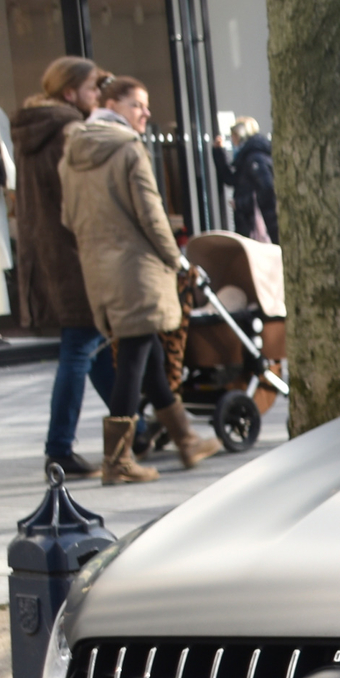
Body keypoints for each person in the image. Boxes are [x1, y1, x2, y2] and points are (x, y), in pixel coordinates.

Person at [60, 75, 219, 484]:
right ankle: (118, 462)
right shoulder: (128, 150)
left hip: (99, 267)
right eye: (138, 105)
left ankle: (185, 439)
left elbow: (67, 217)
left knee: (146, 354)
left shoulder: (73, 152)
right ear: (113, 104)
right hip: (138, 269)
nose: (145, 113)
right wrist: (178, 261)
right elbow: (152, 215)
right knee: (133, 358)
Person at [13, 56, 107, 479]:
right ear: (69, 93)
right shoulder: (69, 130)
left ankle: (136, 424)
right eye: (92, 88)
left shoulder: (36, 128)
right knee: (81, 344)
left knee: (94, 343)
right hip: (71, 253)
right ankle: (59, 446)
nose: (97, 96)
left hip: (48, 252)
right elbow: (80, 199)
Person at [227, 118, 277, 244]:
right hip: (251, 221)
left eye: (234, 138)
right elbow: (232, 179)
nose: (233, 142)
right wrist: (218, 153)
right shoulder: (247, 157)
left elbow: (267, 188)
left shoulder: (254, 158)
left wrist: (240, 203)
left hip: (258, 222)